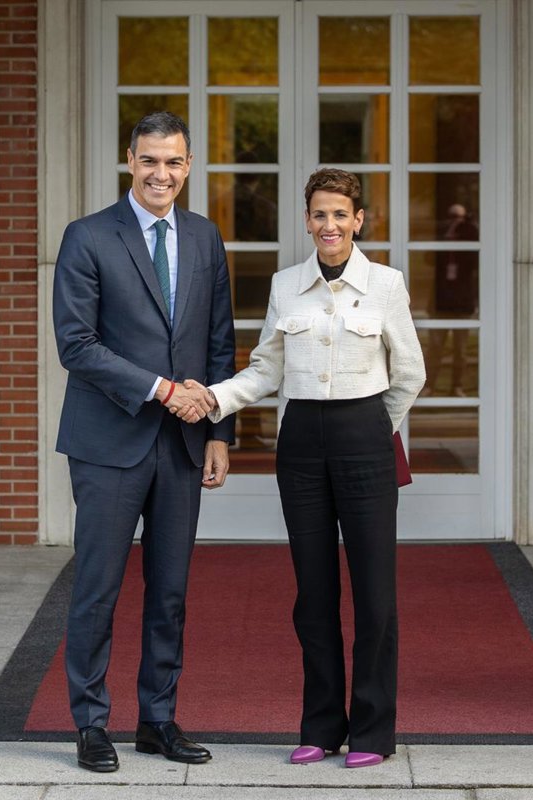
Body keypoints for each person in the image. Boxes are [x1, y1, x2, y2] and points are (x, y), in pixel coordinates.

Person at [193, 167, 424, 768]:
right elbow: (267, 369)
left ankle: (372, 732)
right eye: (320, 214)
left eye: (340, 214)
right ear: (307, 220)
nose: (330, 225)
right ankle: (321, 726)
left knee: (374, 594)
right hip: (299, 446)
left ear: (358, 220)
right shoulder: (285, 285)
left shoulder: (386, 284)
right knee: (313, 594)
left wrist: (372, 427)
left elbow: (409, 373)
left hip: (365, 438)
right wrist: (214, 398)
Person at [51, 111, 237, 773]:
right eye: (150, 160)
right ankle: (90, 724)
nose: (162, 173)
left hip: (183, 444)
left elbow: (219, 338)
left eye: (174, 161)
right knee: (97, 588)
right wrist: (162, 390)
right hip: (109, 442)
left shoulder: (205, 236)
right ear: (130, 161)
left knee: (170, 592)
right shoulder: (87, 236)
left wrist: (219, 431)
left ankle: (157, 720)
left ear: (189, 166)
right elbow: (76, 345)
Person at [431, 203, 478, 396]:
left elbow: (473, 261)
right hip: (441, 300)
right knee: (435, 347)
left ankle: (457, 386)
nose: (455, 221)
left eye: (459, 218)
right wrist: (447, 234)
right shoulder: (441, 236)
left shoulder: (469, 235)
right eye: (452, 217)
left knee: (461, 349)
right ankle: (429, 386)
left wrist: (461, 231)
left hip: (462, 301)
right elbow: (428, 258)